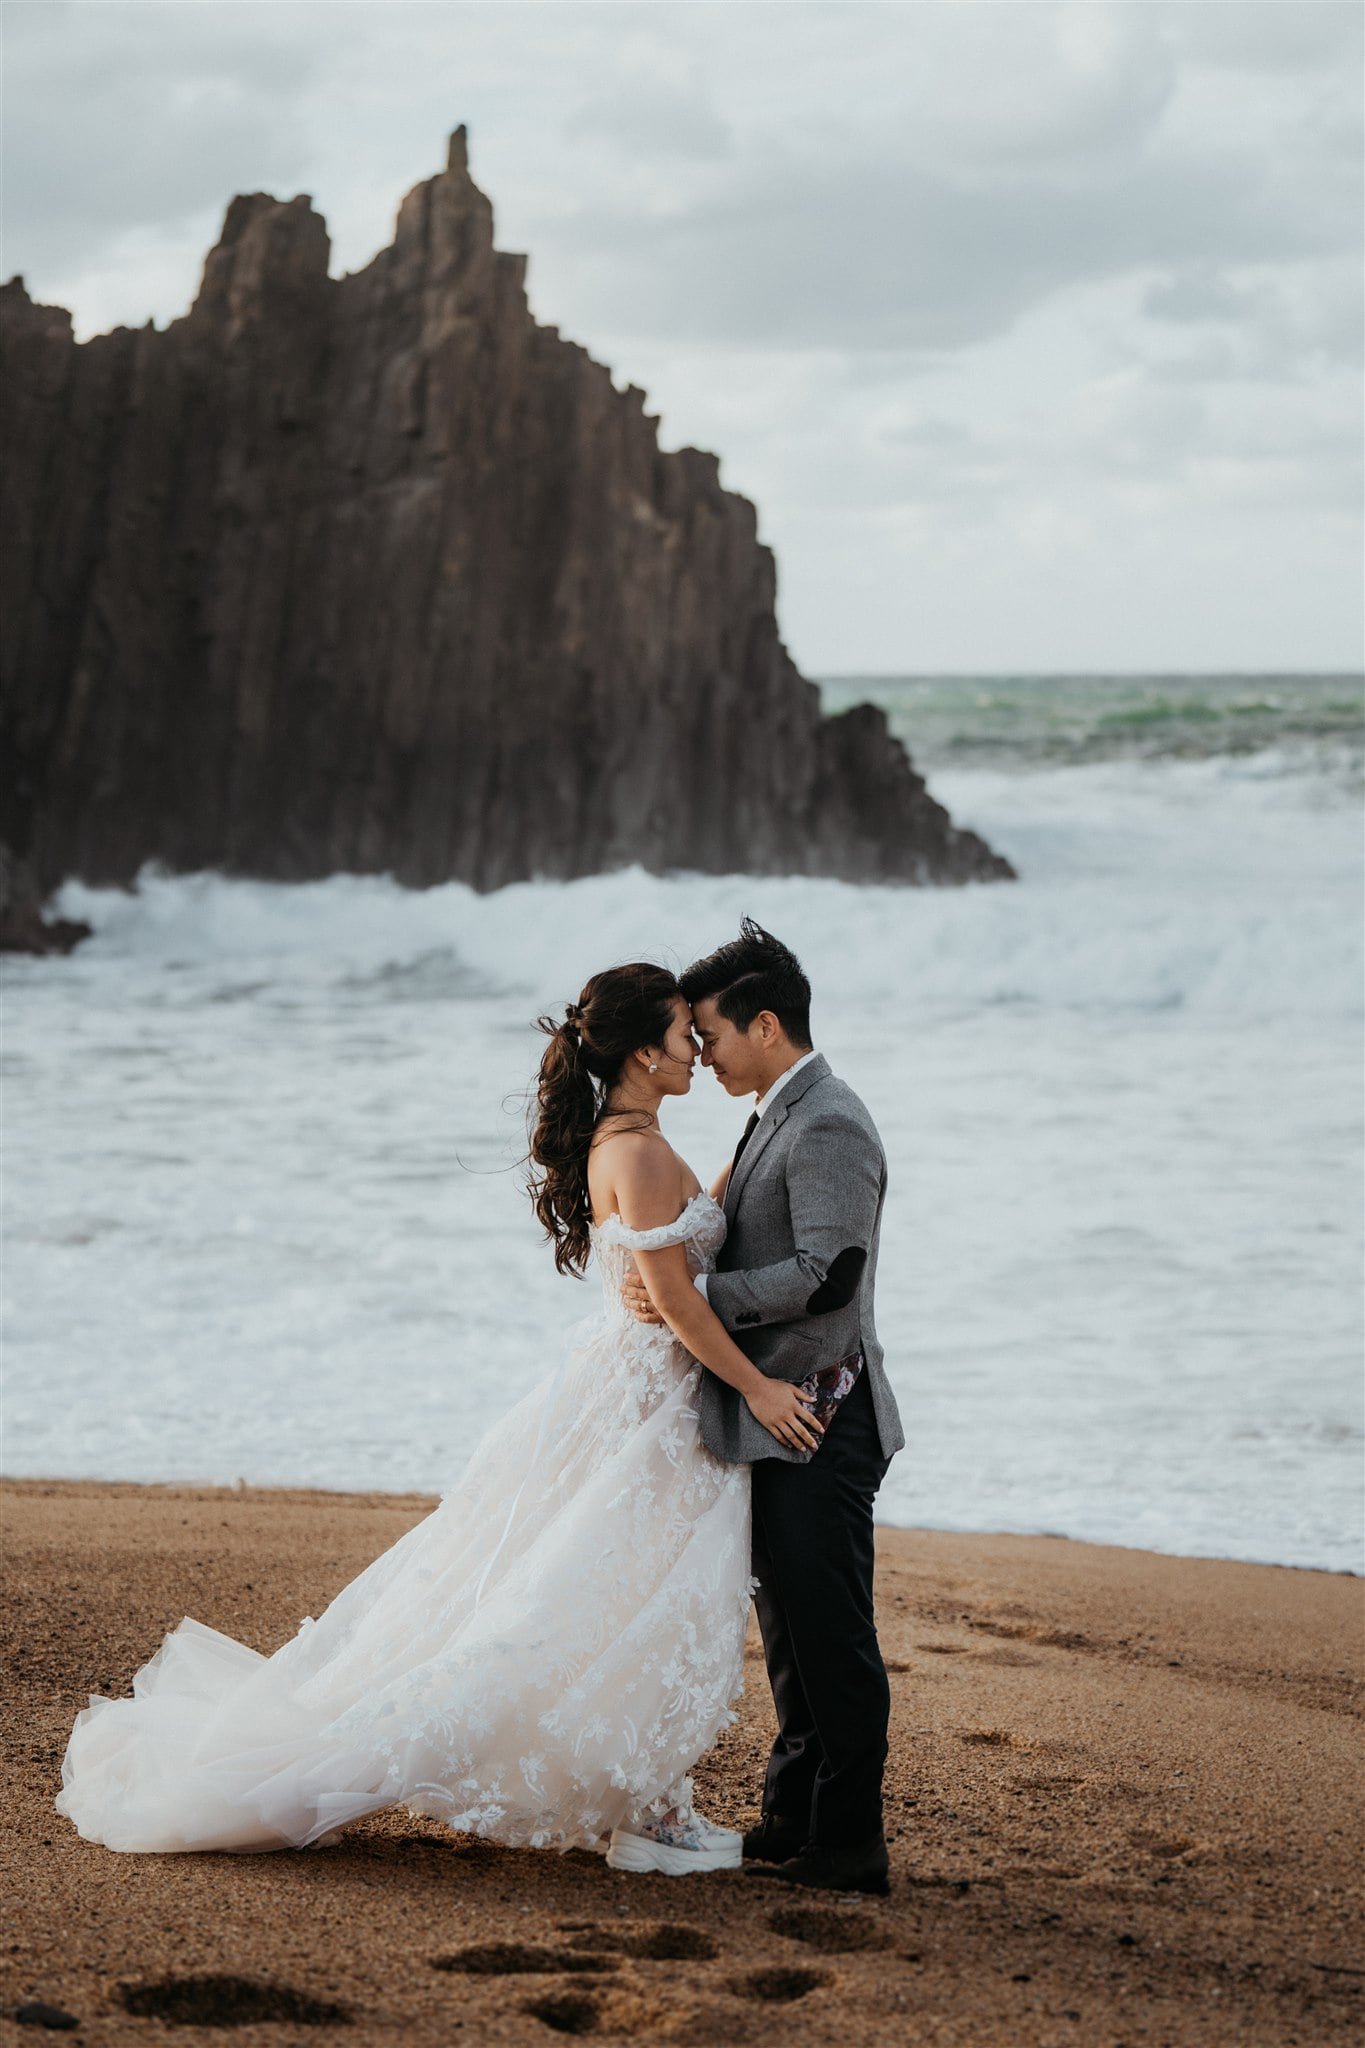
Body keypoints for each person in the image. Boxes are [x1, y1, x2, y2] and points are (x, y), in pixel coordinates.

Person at [53, 962, 821, 1873]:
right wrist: (764, 1391)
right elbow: (681, 1306)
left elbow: (681, 1253)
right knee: (602, 1601)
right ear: (642, 1051)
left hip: (627, 1392)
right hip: (645, 1406)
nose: (696, 1045)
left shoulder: (629, 1139)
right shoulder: (642, 1152)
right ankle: (648, 1818)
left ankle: (650, 1807)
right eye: (680, 1033)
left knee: (608, 1598)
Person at [623, 920, 904, 1895]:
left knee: (832, 1632)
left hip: (822, 1415)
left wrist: (697, 1300)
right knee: (789, 1628)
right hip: (781, 1413)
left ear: (768, 1023)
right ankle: (791, 1817)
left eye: (711, 1034)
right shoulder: (775, 1110)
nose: (701, 1051)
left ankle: (849, 1841)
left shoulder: (828, 1118)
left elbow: (832, 1274)